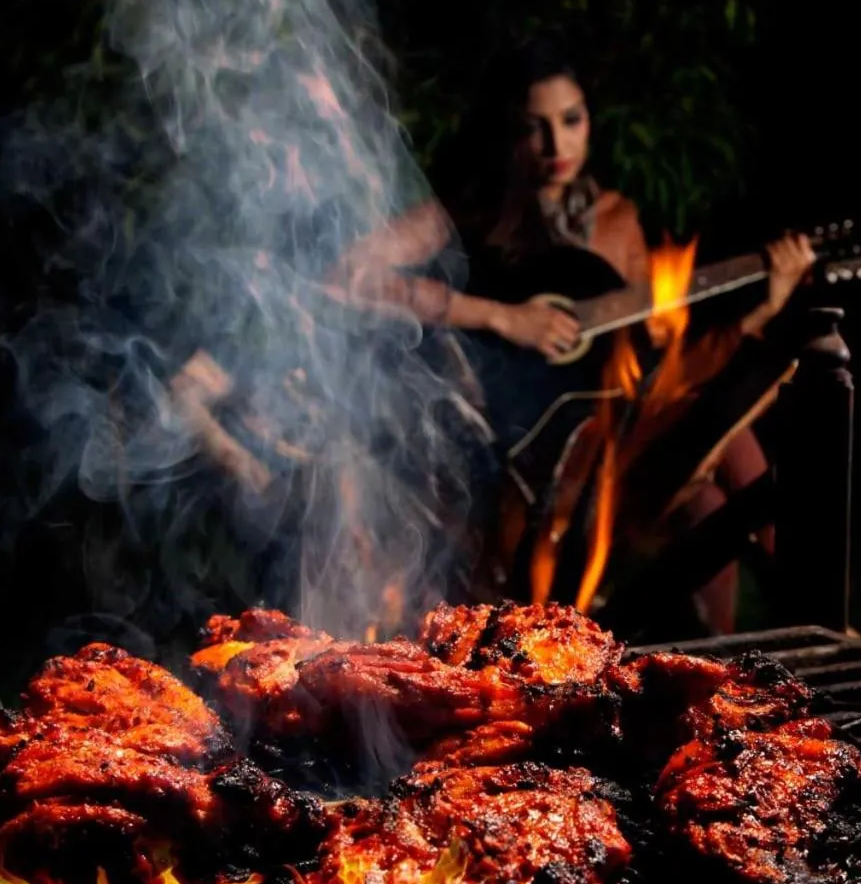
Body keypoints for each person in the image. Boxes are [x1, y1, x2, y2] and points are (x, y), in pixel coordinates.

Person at [328, 35, 816, 633]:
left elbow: (661, 361)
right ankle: (805, 614)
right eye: (534, 127)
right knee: (708, 489)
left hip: (615, 440)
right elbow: (348, 278)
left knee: (716, 470)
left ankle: (780, 628)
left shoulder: (617, 221)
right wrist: (501, 317)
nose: (557, 145)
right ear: (508, 133)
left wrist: (766, 306)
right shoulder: (468, 213)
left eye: (571, 120)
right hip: (523, 456)